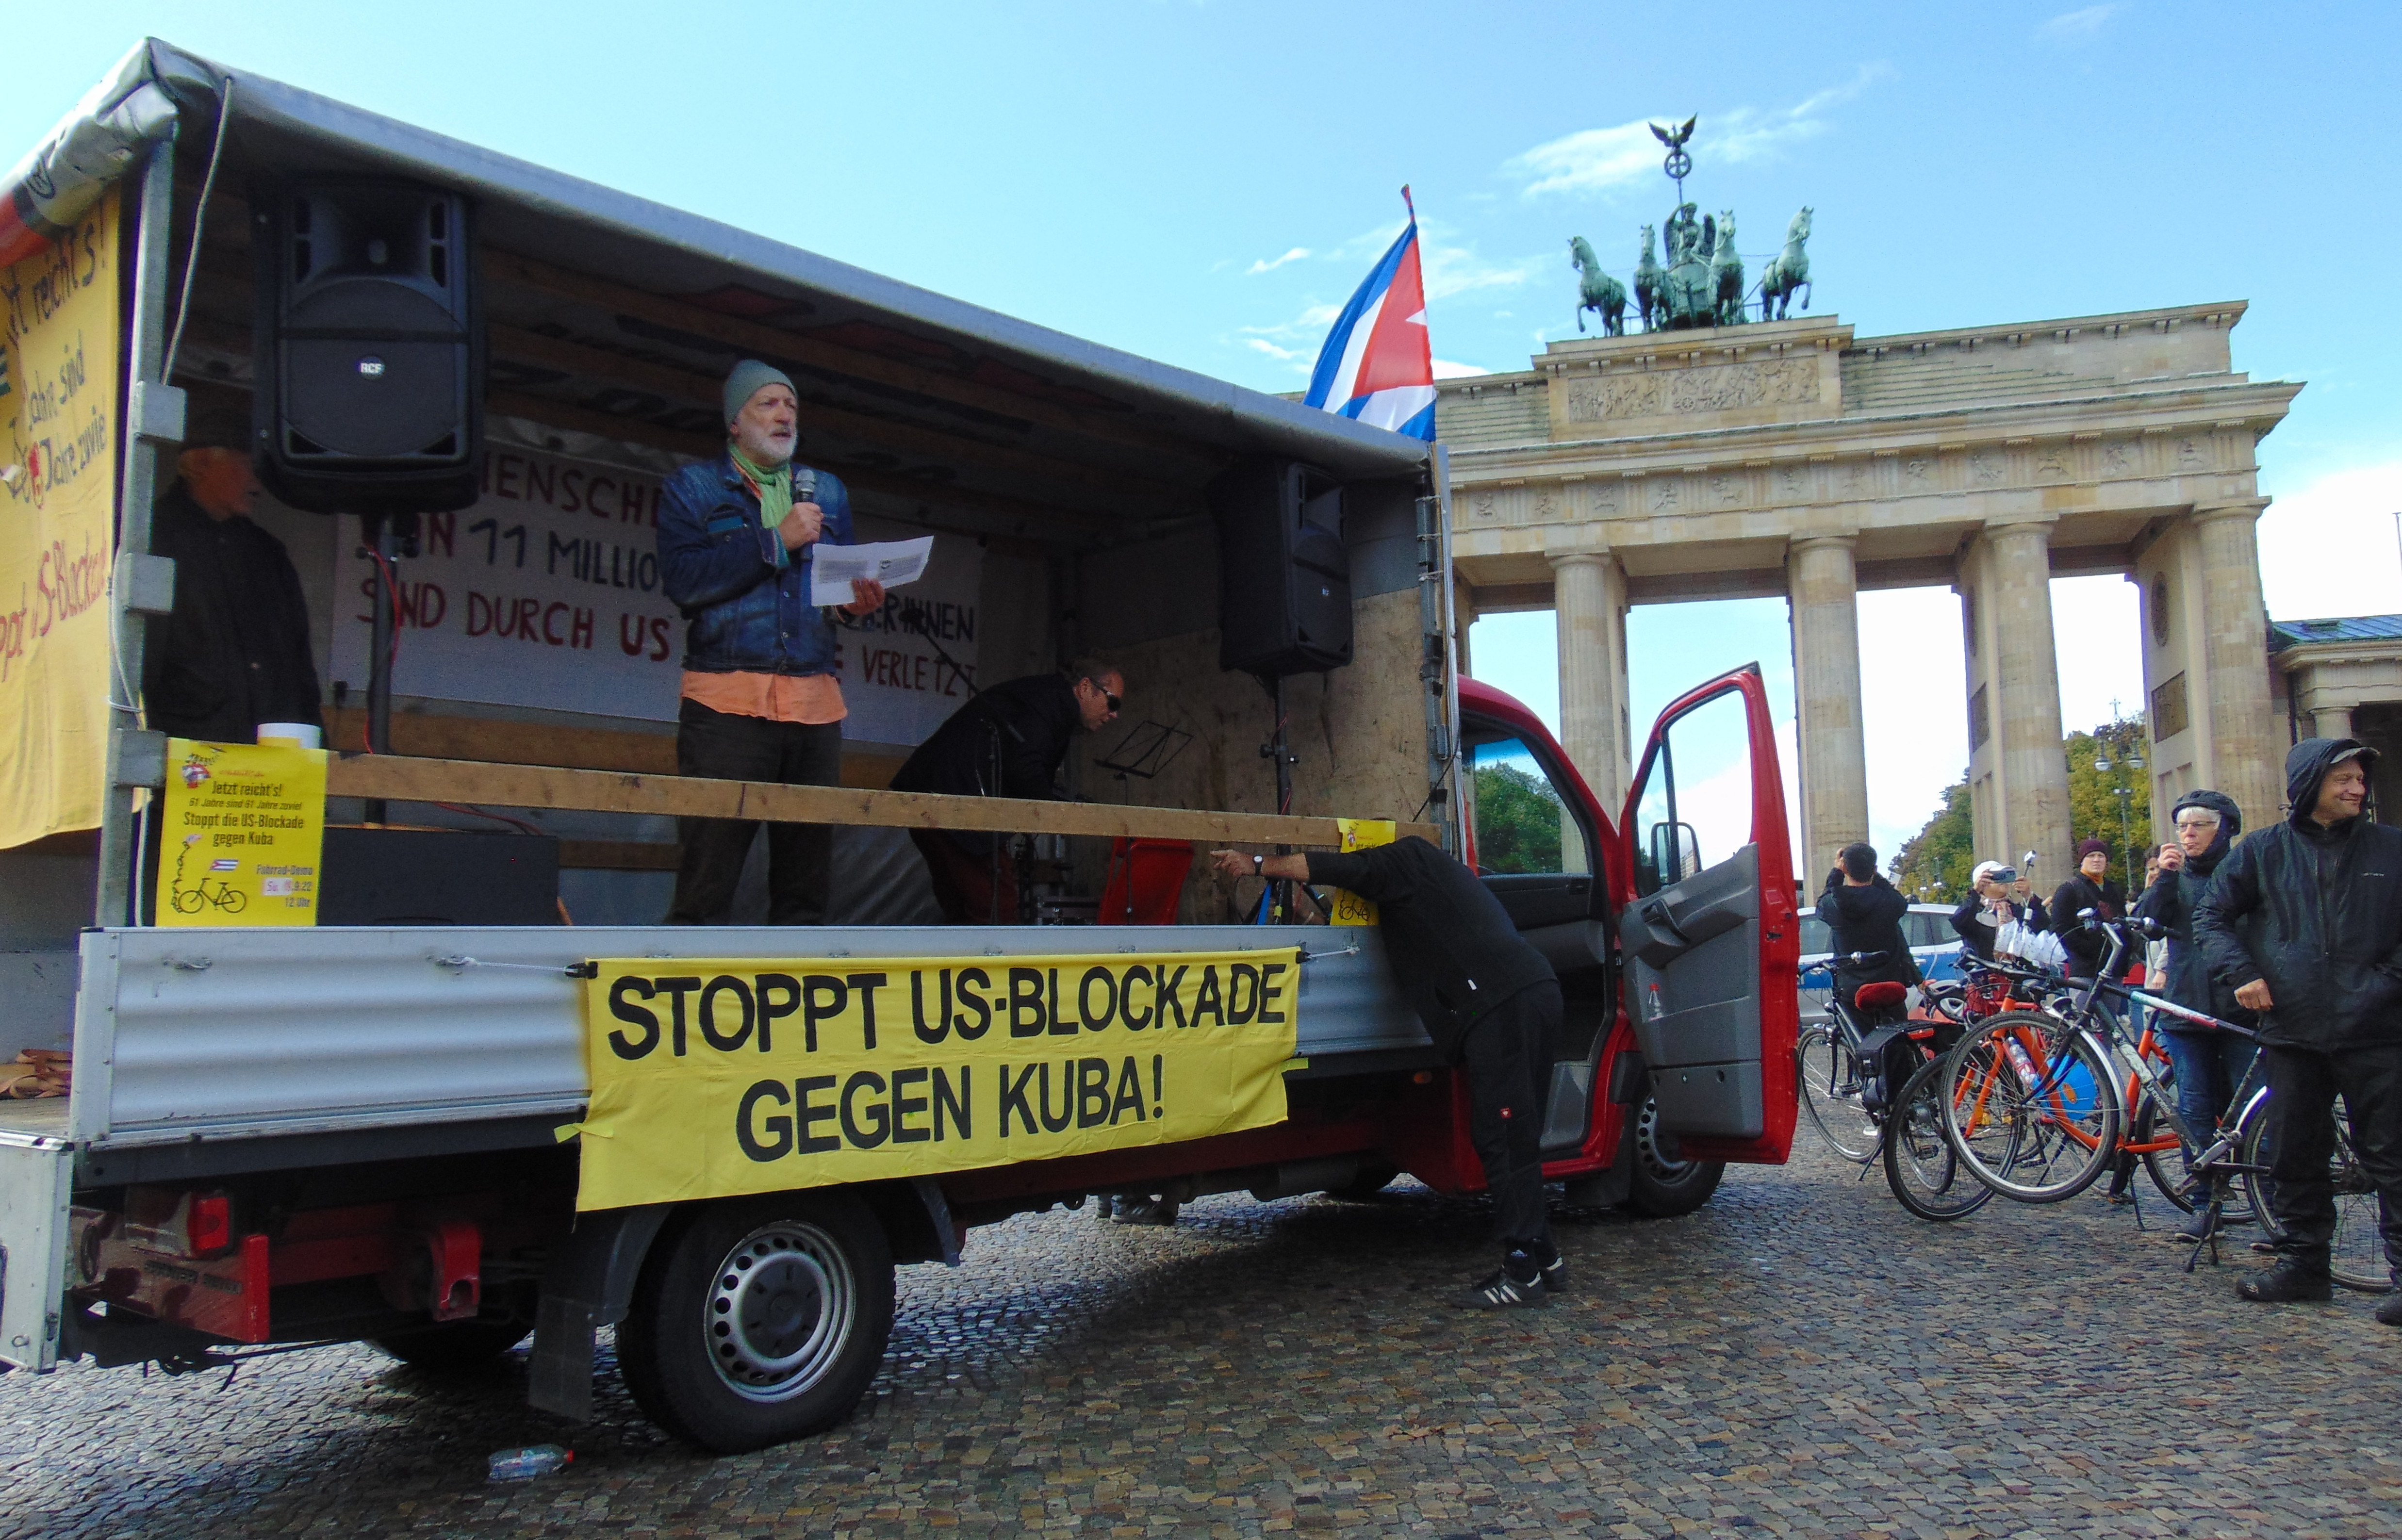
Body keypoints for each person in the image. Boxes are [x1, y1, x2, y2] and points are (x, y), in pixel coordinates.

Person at [1208, 836, 1563, 1309]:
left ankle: (1521, 1273)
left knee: (1500, 1135)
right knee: (1519, 1133)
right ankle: (1545, 1256)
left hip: (1501, 1007)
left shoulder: (1402, 860)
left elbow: (1338, 868)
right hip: (1532, 991)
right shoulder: (1435, 875)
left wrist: (1258, 864)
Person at [657, 360, 885, 925]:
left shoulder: (827, 492)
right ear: (734, 421)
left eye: (792, 407)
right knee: (710, 870)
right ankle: (685, 995)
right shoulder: (693, 487)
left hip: (814, 705)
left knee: (806, 876)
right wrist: (774, 543)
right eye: (768, 404)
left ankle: (796, 999)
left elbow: (835, 587)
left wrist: (855, 605)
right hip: (727, 700)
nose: (784, 415)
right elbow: (686, 582)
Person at [2192, 738, 2402, 1320]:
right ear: (2310, 785)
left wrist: (2384, 983)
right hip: (2293, 1029)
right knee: (2293, 1155)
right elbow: (2211, 915)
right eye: (2345, 780)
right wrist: (2241, 973)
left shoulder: (2393, 848)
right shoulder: (2262, 852)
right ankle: (2303, 1267)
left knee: (2392, 1156)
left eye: (2362, 779)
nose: (2358, 788)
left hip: (2379, 1029)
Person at [143, 403, 323, 744]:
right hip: (187, 763)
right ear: (201, 464)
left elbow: (300, 670)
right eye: (248, 464)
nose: (260, 479)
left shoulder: (267, 554)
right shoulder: (152, 538)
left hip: (274, 765)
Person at [890, 664, 1124, 922]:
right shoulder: (1051, 701)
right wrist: (1052, 811)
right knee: (996, 902)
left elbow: (1026, 763)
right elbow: (1024, 766)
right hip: (949, 798)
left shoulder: (1049, 699)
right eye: (1113, 703)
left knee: (963, 900)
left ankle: (963, 959)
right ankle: (986, 960)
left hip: (932, 790)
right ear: (1085, 688)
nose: (1114, 715)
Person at [2132, 792, 2258, 1243]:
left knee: (2256, 1111)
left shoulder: (2246, 869)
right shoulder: (2175, 877)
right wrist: (2163, 879)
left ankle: (2274, 1203)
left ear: (2224, 827)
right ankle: (2206, 1203)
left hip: (2241, 1009)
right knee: (2196, 1108)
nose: (2188, 834)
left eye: (2199, 825)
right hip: (2187, 1009)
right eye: (2183, 827)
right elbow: (2147, 924)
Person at [1815, 843, 1918, 1111]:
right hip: (1889, 984)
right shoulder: (1890, 903)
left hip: (1853, 987)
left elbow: (1823, 900)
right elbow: (1896, 898)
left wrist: (1837, 873)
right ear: (1874, 869)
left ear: (1845, 868)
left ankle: (1876, 1105)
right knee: (1897, 1045)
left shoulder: (1833, 905)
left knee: (1863, 1046)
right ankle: (1909, 1101)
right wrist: (1874, 874)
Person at [2051, 837, 2127, 980]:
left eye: (2101, 856)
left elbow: (2124, 922)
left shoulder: (2114, 889)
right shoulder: (2069, 889)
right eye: (2091, 856)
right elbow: (2060, 929)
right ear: (2082, 860)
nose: (2096, 860)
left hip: (2114, 968)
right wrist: (2087, 949)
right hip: (2084, 969)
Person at [1949, 860, 2047, 960]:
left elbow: (2041, 927)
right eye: (1997, 877)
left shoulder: (2013, 910)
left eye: (2004, 876)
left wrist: (2028, 896)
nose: (2003, 881)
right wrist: (1975, 892)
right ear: (1982, 882)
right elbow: (1959, 923)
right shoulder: (1975, 911)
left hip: (2019, 972)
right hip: (1985, 972)